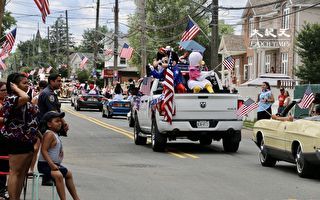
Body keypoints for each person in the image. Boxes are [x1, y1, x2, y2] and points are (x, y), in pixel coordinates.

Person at [0, 73, 39, 200]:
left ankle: (17, 197)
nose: (27, 85)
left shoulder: (24, 99)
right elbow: (26, 97)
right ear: (14, 85)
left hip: (28, 140)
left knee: (22, 173)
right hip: (17, 140)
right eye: (24, 83)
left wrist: (41, 136)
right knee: (15, 172)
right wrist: (15, 88)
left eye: (28, 83)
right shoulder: (11, 98)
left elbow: (32, 120)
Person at [37, 111, 80, 200]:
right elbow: (43, 150)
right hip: (45, 165)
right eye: (57, 121)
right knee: (58, 175)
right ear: (49, 124)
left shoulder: (55, 134)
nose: (60, 123)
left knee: (68, 174)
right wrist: (52, 165)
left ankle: (76, 198)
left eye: (60, 121)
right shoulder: (49, 134)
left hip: (53, 164)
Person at [0, 82, 8, 200]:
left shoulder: (6, 102)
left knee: (5, 165)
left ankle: (2, 189)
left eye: (6, 90)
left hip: (6, 137)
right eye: (3, 90)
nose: (5, 92)